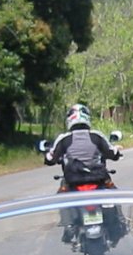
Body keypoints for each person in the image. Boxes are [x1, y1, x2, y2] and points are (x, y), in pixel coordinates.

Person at [44, 103, 124, 243]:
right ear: (87, 118)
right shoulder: (96, 136)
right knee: (114, 193)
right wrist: (117, 150)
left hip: (73, 181)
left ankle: (68, 224)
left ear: (69, 119)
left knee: (62, 197)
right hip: (98, 178)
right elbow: (112, 154)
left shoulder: (64, 139)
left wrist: (49, 155)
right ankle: (120, 222)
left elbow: (50, 159)